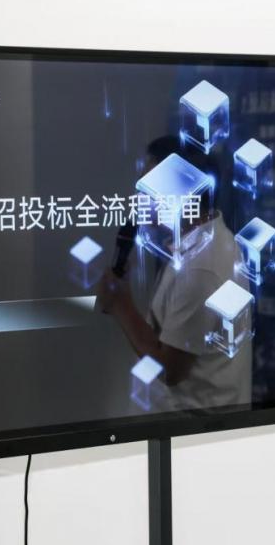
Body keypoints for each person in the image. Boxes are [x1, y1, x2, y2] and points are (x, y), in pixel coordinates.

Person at [96, 136, 252, 412]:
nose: (138, 198)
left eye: (147, 186)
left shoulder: (201, 267)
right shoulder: (200, 244)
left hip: (193, 431)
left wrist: (121, 305)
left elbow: (170, 369)